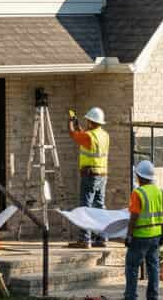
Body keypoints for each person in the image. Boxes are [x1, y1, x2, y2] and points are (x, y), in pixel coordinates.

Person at [67, 106, 109, 248]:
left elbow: (73, 134)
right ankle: (102, 238)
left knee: (85, 207)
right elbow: (84, 136)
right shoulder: (104, 135)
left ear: (91, 122)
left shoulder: (88, 136)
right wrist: (79, 126)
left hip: (89, 175)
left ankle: (85, 239)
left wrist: (71, 122)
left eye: (87, 121)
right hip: (102, 175)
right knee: (100, 207)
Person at [124, 159, 163, 300]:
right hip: (156, 235)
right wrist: (162, 230)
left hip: (140, 236)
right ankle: (153, 297)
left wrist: (129, 235)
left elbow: (134, 216)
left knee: (132, 267)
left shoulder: (138, 193)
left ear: (140, 176)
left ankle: (130, 296)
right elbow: (162, 213)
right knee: (153, 267)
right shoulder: (159, 191)